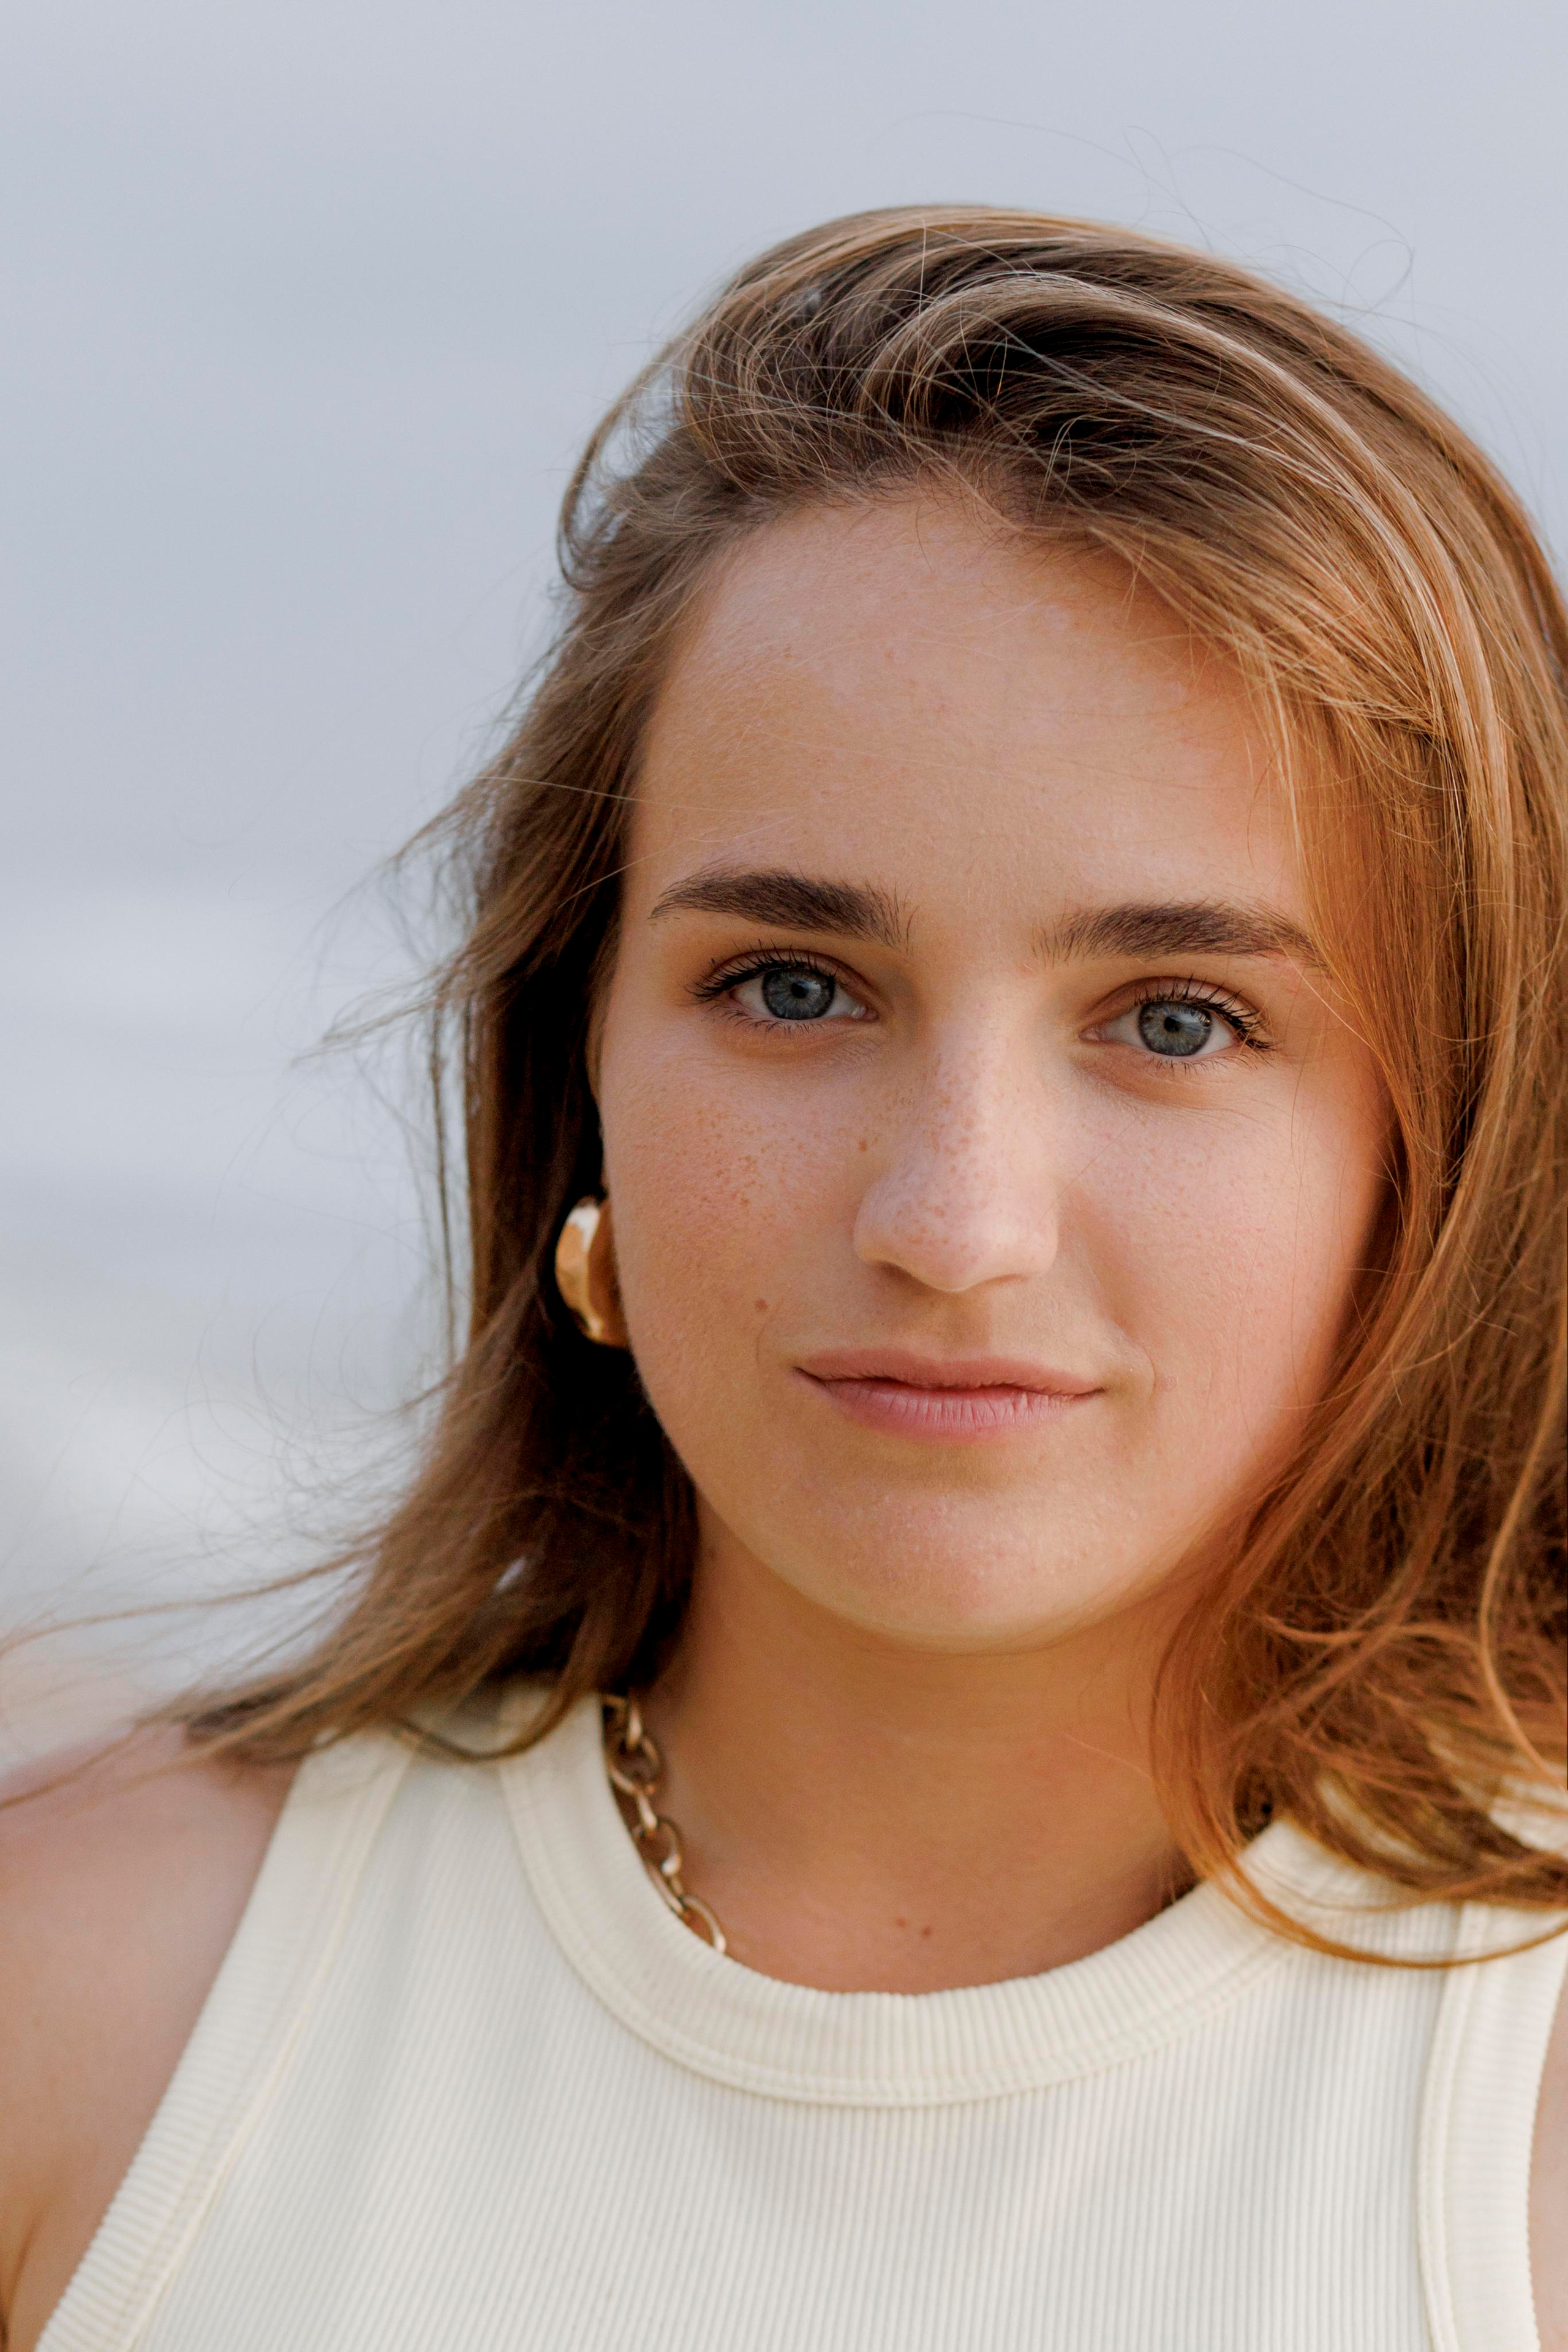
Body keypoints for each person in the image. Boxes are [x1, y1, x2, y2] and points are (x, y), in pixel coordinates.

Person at [1, 205, 1564, 2352]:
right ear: (581, 1079)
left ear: (1445, 1149)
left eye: (1178, 1017)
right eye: (796, 986)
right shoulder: (79, 2010)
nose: (953, 1219)